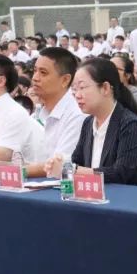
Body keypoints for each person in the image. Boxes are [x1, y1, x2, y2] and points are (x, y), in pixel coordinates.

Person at [44, 57, 137, 185]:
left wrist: (71, 170)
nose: (77, 95)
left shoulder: (130, 124)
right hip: (92, 194)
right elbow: (77, 160)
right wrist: (60, 164)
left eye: (82, 87)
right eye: (74, 89)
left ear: (105, 88)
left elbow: (120, 173)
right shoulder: (88, 122)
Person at [27, 47, 85, 178]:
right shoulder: (38, 113)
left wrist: (16, 171)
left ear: (65, 80)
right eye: (35, 71)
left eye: (43, 73)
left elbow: (58, 165)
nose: (35, 78)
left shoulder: (76, 114)